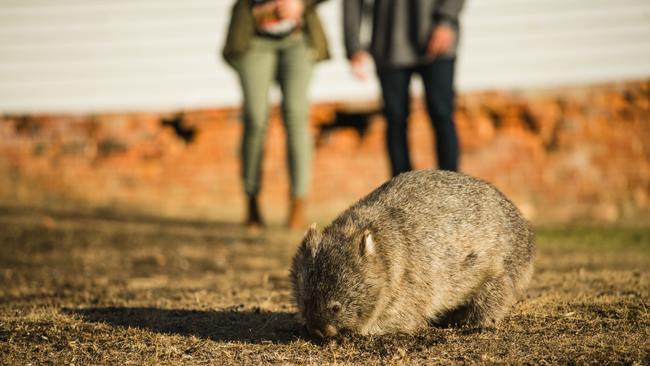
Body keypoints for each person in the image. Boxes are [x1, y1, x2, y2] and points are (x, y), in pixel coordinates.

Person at [223, 0, 330, 229]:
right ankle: (252, 201)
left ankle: (297, 203)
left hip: (298, 37)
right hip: (252, 36)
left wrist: (300, 4)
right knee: (255, 118)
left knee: (296, 116)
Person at [344, 0, 465, 176]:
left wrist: (447, 20)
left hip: (437, 37)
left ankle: (453, 188)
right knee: (395, 120)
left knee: (442, 114)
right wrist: (353, 44)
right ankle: (401, 195)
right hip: (388, 41)